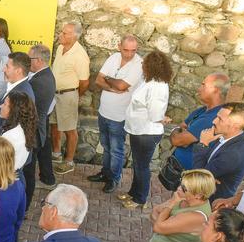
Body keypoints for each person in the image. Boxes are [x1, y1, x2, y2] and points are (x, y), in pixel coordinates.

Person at [89, 36, 143, 193]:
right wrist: (111, 85)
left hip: (120, 116)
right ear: (119, 46)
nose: (129, 54)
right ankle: (105, 173)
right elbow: (98, 80)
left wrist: (108, 79)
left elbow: (122, 85)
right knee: (106, 146)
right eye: (126, 50)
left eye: (133, 50)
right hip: (104, 111)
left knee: (116, 149)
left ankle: (114, 178)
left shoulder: (138, 64)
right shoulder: (113, 57)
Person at [119, 50, 173, 209]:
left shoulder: (157, 86)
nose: (142, 64)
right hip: (138, 130)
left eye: (145, 62)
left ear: (152, 66)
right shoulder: (148, 81)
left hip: (146, 132)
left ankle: (140, 199)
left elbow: (156, 112)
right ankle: (133, 192)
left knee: (142, 166)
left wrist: (162, 118)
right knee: (137, 164)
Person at [51, 23, 91, 175]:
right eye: (61, 32)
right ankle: (56, 154)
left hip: (67, 95)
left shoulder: (80, 56)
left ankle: (69, 161)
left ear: (75, 36)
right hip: (55, 94)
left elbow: (84, 82)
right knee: (54, 125)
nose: (60, 35)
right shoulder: (61, 47)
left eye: (65, 33)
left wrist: (74, 95)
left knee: (69, 129)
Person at [192, 102, 244, 202]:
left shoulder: (233, 153)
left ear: (235, 126)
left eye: (220, 119)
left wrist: (202, 144)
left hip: (211, 203)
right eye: (217, 117)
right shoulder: (222, 136)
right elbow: (204, 172)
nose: (214, 121)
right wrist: (208, 176)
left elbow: (198, 178)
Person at [170, 73, 229, 170]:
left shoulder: (213, 118)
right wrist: (181, 132)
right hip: (180, 172)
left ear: (215, 90)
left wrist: (179, 131)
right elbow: (182, 126)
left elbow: (177, 140)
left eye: (203, 85)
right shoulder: (202, 110)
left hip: (192, 177)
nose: (199, 89)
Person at [28, 44, 57, 191]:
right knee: (44, 150)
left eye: (30, 59)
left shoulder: (39, 81)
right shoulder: (44, 75)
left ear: (38, 60)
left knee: (30, 163)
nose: (28, 62)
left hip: (35, 125)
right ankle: (48, 178)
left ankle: (29, 190)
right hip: (42, 120)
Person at [0, 52, 35, 135]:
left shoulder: (22, 94)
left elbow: (11, 127)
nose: (3, 70)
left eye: (7, 66)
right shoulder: (17, 87)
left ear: (18, 71)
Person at [0, 91, 38, 182]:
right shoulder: (24, 127)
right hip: (17, 176)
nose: (1, 106)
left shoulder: (10, 136)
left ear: (13, 110)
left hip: (7, 179)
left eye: (4, 104)